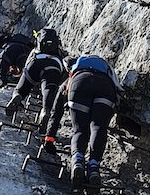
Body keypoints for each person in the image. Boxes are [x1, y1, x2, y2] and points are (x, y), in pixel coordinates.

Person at [45, 54, 122, 188]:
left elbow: (56, 111)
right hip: (105, 87)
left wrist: (49, 137)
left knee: (80, 130)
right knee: (98, 127)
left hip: (79, 85)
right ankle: (93, 167)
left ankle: (77, 161)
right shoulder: (107, 72)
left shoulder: (72, 75)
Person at [3, 28, 66, 136]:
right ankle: (45, 111)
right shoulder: (59, 51)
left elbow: (26, 66)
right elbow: (66, 67)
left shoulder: (35, 50)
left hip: (34, 63)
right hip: (53, 66)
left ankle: (17, 96)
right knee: (48, 90)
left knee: (21, 88)